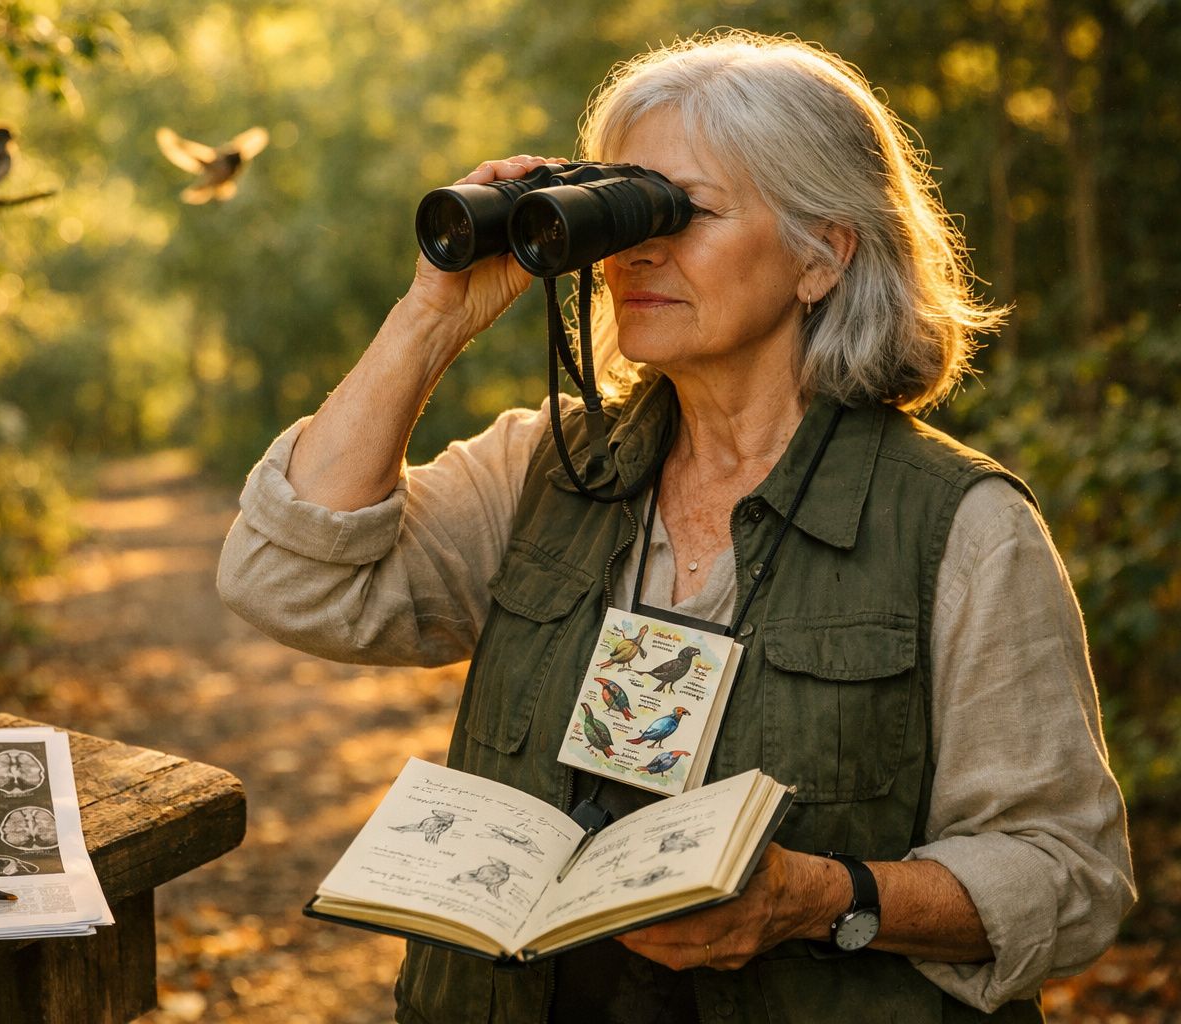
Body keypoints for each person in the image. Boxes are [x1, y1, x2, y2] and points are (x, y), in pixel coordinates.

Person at [217, 29, 1134, 1024]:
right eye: (623, 210)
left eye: (681, 211)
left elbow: (1066, 873)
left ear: (822, 255)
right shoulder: (550, 469)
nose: (637, 249)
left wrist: (819, 901)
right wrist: (434, 311)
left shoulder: (960, 529)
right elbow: (289, 578)